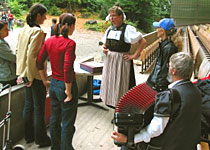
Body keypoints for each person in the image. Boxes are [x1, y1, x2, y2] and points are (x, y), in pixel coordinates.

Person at [112, 52, 202, 150]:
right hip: (187, 144)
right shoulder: (196, 91)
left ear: (174, 71)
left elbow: (155, 130)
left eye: (169, 66)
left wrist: (130, 139)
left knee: (125, 147)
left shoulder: (169, 96)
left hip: (168, 146)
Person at [37, 13, 78, 150]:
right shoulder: (70, 43)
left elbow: (39, 61)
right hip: (66, 85)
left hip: (54, 84)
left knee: (55, 119)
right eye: (74, 26)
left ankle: (55, 147)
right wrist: (69, 91)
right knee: (67, 122)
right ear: (70, 26)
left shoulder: (49, 41)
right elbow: (67, 67)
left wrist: (44, 81)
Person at [16, 3, 51, 148]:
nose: (45, 18)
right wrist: (33, 77)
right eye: (44, 16)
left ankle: (29, 136)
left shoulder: (24, 29)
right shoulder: (37, 32)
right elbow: (33, 57)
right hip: (34, 75)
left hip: (24, 73)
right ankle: (41, 139)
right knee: (38, 108)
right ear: (38, 16)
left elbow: (19, 51)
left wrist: (22, 74)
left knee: (29, 106)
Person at [100, 5, 147, 108]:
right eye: (110, 16)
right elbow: (105, 44)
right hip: (110, 61)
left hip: (121, 61)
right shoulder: (109, 29)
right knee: (111, 83)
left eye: (114, 16)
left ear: (121, 17)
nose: (111, 18)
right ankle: (113, 105)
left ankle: (122, 108)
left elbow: (143, 41)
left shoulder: (127, 29)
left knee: (122, 85)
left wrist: (134, 55)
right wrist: (104, 48)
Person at [146, 18, 182, 92]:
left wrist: (158, 87)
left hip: (160, 87)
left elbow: (165, 70)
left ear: (162, 31)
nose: (156, 30)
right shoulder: (164, 45)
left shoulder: (169, 48)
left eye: (158, 28)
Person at [0, 20, 17, 86]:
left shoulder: (2, 41)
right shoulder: (1, 44)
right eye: (5, 29)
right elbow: (12, 57)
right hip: (7, 75)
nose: (8, 31)